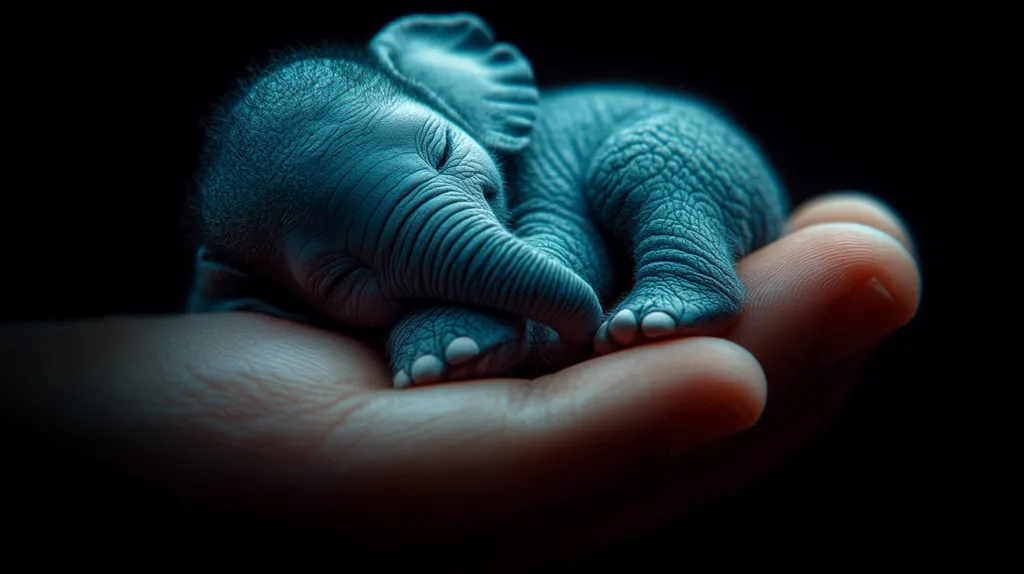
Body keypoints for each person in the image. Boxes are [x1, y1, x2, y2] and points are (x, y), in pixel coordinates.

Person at [1, 192, 919, 567]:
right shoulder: (251, 285)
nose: (442, 219)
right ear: (252, 292)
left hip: (625, 158)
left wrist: (503, 308)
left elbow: (546, 243)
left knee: (651, 164)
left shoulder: (508, 171)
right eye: (341, 272)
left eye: (442, 163)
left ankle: (686, 268)